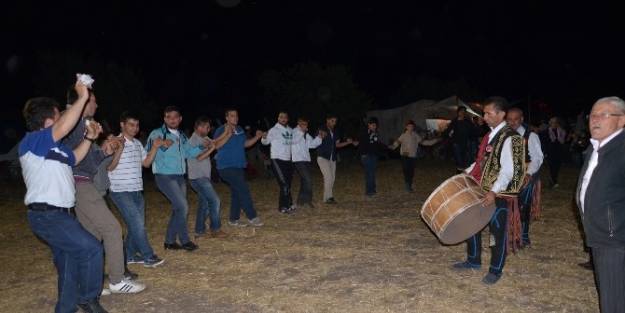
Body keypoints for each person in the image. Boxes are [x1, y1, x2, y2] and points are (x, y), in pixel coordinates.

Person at [19, 80, 108, 313]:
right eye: (59, 115)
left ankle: (66, 308)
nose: (63, 120)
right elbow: (65, 127)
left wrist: (89, 139)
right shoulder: (33, 141)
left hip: (61, 215)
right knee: (92, 249)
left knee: (68, 267)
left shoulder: (55, 149)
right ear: (49, 120)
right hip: (47, 215)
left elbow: (75, 158)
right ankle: (88, 298)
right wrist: (82, 97)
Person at [63, 87, 146, 295]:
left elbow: (87, 163)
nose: (97, 105)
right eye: (93, 101)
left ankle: (90, 284)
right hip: (81, 184)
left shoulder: (82, 127)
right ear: (82, 102)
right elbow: (75, 162)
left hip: (82, 182)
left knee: (92, 236)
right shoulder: (74, 124)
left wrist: (104, 151)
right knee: (112, 229)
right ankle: (117, 280)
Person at [452, 97, 526, 285]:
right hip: (481, 188)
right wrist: (466, 174)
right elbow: (481, 162)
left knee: (497, 232)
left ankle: (495, 270)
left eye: (488, 113)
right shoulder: (490, 135)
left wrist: (493, 192)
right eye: (484, 113)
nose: (484, 117)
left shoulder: (513, 138)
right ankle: (474, 260)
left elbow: (510, 170)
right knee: (472, 224)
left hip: (499, 194)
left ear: (501, 114)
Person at [576, 97, 625, 313]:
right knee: (609, 292)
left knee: (613, 301)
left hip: (615, 239)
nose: (595, 119)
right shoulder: (595, 147)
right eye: (593, 115)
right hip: (598, 233)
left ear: (621, 120)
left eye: (604, 115)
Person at [107, 111, 164, 267]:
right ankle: (148, 256)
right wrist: (118, 149)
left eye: (137, 125)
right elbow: (109, 167)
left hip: (137, 190)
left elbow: (145, 163)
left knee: (135, 225)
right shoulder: (114, 142)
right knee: (138, 224)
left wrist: (155, 148)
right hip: (120, 190)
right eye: (131, 124)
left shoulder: (138, 144)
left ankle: (129, 255)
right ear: (122, 125)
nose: (135, 128)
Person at [147, 106, 207, 251]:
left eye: (175, 117)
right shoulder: (157, 133)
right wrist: (160, 144)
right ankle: (185, 240)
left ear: (180, 119)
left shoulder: (182, 136)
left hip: (180, 176)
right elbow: (148, 151)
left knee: (178, 209)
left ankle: (169, 241)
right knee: (183, 206)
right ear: (165, 119)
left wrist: (201, 147)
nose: (172, 119)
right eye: (169, 117)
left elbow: (188, 153)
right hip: (164, 176)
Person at [213, 108, 264, 227]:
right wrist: (227, 134)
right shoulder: (221, 129)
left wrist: (257, 137)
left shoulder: (240, 129)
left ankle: (233, 219)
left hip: (239, 166)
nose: (235, 118)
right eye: (232, 116)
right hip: (225, 166)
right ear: (226, 118)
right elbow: (216, 146)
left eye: (236, 116)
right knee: (243, 189)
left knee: (237, 192)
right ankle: (252, 216)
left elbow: (245, 144)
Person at [506, 107, 544, 248]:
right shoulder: (505, 135)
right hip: (509, 176)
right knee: (509, 206)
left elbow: (537, 158)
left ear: (521, 119)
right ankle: (511, 234)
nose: (512, 122)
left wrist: (528, 174)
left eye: (515, 119)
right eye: (509, 120)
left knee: (523, 207)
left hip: (527, 176)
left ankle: (523, 237)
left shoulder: (531, 136)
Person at [187, 116, 227, 238]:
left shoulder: (203, 138)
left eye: (209, 127)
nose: (208, 129)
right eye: (206, 127)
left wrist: (227, 133)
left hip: (202, 177)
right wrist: (211, 149)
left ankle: (199, 231)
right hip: (198, 177)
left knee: (204, 203)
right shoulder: (193, 140)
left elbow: (215, 143)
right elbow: (199, 157)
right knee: (215, 200)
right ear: (198, 127)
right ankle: (215, 229)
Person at [261, 111, 296, 213]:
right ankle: (283, 207)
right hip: (277, 159)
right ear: (278, 119)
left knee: (288, 184)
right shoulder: (274, 130)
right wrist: (264, 137)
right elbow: (266, 142)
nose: (283, 119)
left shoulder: (290, 130)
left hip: (288, 160)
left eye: (285, 117)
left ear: (287, 119)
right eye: (281, 117)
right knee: (284, 184)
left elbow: (293, 143)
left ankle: (289, 204)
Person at [316, 114, 353, 204]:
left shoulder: (336, 132)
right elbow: (317, 139)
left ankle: (326, 198)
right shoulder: (321, 128)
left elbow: (337, 145)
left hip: (332, 158)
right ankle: (329, 197)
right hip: (323, 157)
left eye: (335, 121)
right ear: (327, 120)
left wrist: (347, 143)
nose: (334, 123)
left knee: (332, 178)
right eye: (332, 121)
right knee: (328, 177)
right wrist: (321, 135)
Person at [291, 117, 323, 208]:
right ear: (299, 123)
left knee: (304, 181)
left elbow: (312, 145)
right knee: (308, 180)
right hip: (298, 160)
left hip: (306, 159)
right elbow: (293, 141)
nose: (305, 125)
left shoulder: (306, 134)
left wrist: (319, 137)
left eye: (306, 124)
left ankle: (300, 201)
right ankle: (307, 201)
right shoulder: (294, 132)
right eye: (303, 123)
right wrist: (302, 132)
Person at [353, 117, 387, 197]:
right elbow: (359, 142)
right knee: (370, 173)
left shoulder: (375, 133)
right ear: (369, 125)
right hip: (366, 156)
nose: (374, 127)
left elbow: (378, 143)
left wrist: (387, 147)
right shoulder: (364, 132)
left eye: (375, 125)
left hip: (374, 155)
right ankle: (369, 192)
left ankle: (372, 190)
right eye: (373, 125)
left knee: (372, 173)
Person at [389, 120, 423, 192]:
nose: (410, 127)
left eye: (412, 126)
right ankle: (407, 186)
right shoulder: (403, 135)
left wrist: (434, 141)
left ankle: (409, 185)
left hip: (413, 156)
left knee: (411, 172)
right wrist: (392, 147)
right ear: (406, 127)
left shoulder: (415, 135)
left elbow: (423, 142)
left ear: (413, 127)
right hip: (405, 156)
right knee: (406, 171)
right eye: (409, 126)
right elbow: (397, 142)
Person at [444, 106, 476, 172]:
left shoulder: (467, 121)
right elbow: (448, 130)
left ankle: (464, 169)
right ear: (458, 112)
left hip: (466, 141)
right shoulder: (455, 121)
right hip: (456, 142)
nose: (462, 112)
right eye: (461, 111)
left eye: (464, 111)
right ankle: (459, 169)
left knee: (465, 156)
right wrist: (448, 136)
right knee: (458, 156)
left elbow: (472, 130)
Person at [544, 117, 566, 188]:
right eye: (552, 122)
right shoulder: (546, 131)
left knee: (557, 167)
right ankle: (553, 181)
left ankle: (554, 180)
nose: (554, 123)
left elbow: (562, 141)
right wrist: (545, 152)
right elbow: (545, 142)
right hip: (550, 151)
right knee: (551, 167)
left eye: (555, 122)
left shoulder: (561, 131)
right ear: (550, 123)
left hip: (558, 151)